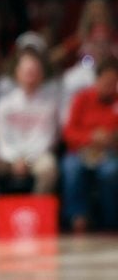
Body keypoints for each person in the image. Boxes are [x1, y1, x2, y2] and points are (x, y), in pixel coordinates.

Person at [0, 49, 59, 233]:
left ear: (41, 74)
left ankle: (36, 213)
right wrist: (15, 159)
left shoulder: (49, 105)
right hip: (9, 157)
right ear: (17, 73)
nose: (30, 76)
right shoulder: (4, 104)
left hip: (35, 158)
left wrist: (27, 160)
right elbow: (1, 139)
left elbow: (48, 139)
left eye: (34, 71)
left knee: (49, 167)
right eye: (26, 71)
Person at [60, 57, 118, 232]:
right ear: (97, 80)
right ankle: (77, 218)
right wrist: (91, 137)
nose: (110, 86)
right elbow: (68, 132)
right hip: (81, 151)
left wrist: (111, 138)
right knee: (71, 167)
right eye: (107, 82)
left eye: (114, 82)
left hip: (109, 153)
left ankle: (111, 220)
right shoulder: (82, 99)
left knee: (111, 171)